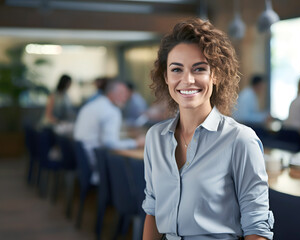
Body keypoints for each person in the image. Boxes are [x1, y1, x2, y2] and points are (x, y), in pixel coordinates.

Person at [142, 18, 274, 240]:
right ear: (166, 77)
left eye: (199, 69)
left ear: (216, 75)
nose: (187, 80)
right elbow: (153, 210)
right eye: (176, 69)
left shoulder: (240, 140)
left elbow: (257, 227)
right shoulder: (155, 138)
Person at [74, 80, 145, 184]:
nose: (125, 98)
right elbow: (110, 143)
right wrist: (136, 143)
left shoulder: (93, 104)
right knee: (137, 168)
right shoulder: (112, 111)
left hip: (83, 158)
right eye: (122, 94)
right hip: (97, 162)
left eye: (126, 94)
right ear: (111, 93)